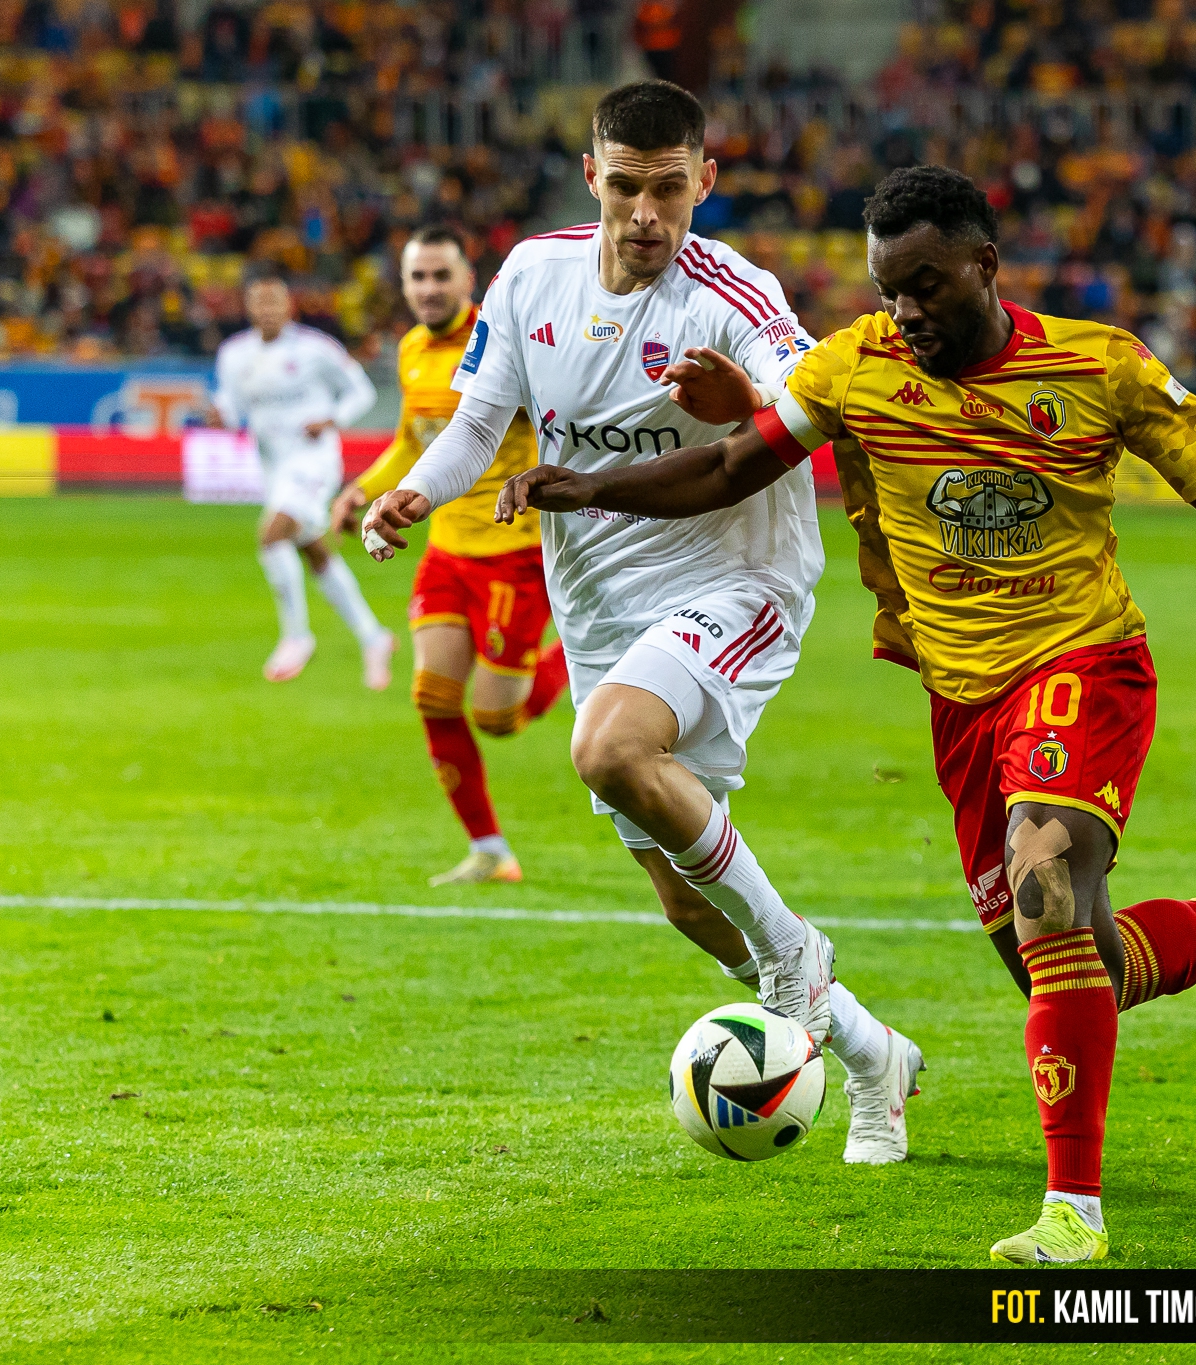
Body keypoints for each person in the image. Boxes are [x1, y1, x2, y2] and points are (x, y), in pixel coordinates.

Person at [495, 164, 1196, 1263]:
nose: (904, 310)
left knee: (1045, 884)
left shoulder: (1096, 365)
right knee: (1072, 964)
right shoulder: (857, 366)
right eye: (887, 289)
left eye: (925, 285)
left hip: (1083, 661)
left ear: (984, 266)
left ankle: (1074, 1212)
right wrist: (589, 485)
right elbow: (729, 467)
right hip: (959, 698)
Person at [359, 81, 923, 1163]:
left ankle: (795, 957)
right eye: (625, 187)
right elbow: (478, 421)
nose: (647, 214)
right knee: (683, 901)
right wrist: (415, 494)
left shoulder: (736, 295)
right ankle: (870, 1056)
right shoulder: (531, 274)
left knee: (610, 748)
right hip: (598, 606)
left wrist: (752, 406)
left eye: (670, 188)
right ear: (592, 178)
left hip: (735, 582)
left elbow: (817, 403)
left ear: (705, 179)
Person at [331, 228, 568, 886]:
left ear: (469, 280)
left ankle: (576, 660)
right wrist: (364, 489)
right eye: (418, 277)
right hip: (447, 550)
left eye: (442, 275)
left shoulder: (508, 340)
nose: (429, 289)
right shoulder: (411, 349)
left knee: (496, 718)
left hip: (514, 552)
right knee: (433, 695)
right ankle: (489, 849)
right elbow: (415, 442)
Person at [209, 271, 391, 689]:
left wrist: (332, 419)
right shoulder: (234, 354)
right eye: (259, 303)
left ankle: (296, 636)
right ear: (248, 308)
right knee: (313, 550)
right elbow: (232, 404)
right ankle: (373, 636)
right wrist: (221, 415)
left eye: (274, 302)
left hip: (314, 460)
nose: (267, 310)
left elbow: (361, 391)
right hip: (273, 465)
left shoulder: (316, 348)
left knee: (272, 535)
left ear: (288, 306)